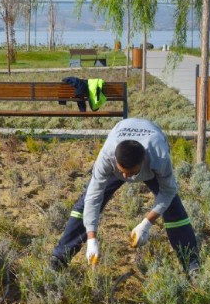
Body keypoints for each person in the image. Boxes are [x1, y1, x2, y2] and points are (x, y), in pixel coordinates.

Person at [49, 118, 200, 275]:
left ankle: (192, 266)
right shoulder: (107, 156)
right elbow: (93, 197)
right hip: (120, 148)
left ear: (142, 162)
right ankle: (59, 258)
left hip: (152, 150)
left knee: (174, 210)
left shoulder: (159, 156)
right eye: (122, 172)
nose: (126, 177)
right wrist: (92, 239)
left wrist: (147, 223)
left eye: (131, 173)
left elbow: (168, 191)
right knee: (83, 204)